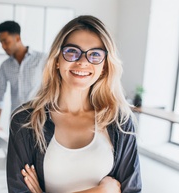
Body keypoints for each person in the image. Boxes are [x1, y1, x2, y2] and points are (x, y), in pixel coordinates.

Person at [7, 15, 142, 193]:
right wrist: (102, 191)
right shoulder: (25, 120)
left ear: (104, 67)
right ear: (56, 60)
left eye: (95, 54)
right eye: (72, 51)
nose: (83, 62)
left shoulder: (120, 121)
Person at [0, 21, 46, 140]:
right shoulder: (5, 66)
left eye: (5, 41)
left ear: (17, 38)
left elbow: (53, 87)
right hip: (17, 121)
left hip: (40, 119)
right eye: (1, 42)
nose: (3, 46)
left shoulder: (42, 59)